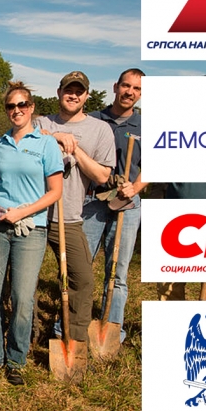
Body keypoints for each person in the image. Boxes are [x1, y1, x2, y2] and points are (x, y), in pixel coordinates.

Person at [0, 82, 63, 386]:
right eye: (10, 106)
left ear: (31, 107)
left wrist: (22, 212)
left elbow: (55, 191)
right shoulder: (0, 144)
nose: (16, 111)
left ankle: (16, 358)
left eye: (22, 105)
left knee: (23, 298)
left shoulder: (45, 144)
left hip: (31, 229)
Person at [36, 71, 115, 345]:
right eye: (68, 90)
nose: (73, 95)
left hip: (67, 217)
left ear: (87, 96)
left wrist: (75, 149)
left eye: (79, 91)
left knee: (81, 281)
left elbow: (102, 176)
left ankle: (74, 338)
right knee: (25, 280)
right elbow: (25, 139)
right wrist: (55, 135)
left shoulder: (100, 129)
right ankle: (29, 332)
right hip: (33, 214)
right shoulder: (41, 121)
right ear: (59, 92)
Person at [82, 69, 145, 344]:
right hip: (94, 200)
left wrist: (136, 187)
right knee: (81, 266)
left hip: (128, 202)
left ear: (141, 94)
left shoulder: (145, 126)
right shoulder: (93, 120)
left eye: (137, 89)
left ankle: (112, 331)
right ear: (115, 87)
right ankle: (71, 325)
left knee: (118, 271)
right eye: (126, 86)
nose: (130, 92)